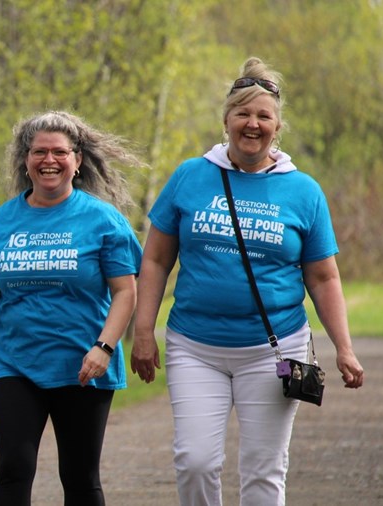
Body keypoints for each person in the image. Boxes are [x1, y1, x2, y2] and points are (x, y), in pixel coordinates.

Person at [130, 57, 366, 505]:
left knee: (263, 471)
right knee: (195, 461)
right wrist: (143, 332)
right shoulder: (190, 176)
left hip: (273, 351)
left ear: (278, 127)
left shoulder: (303, 191)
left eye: (264, 116)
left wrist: (345, 348)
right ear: (226, 120)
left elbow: (323, 276)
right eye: (243, 114)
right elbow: (156, 259)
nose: (252, 124)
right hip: (195, 346)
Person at [0, 111, 145, 505]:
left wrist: (104, 348)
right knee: (14, 469)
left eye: (59, 152)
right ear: (25, 159)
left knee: (80, 476)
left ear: (77, 160)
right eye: (38, 152)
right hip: (14, 362)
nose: (48, 160)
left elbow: (125, 291)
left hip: (84, 364)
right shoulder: (0, 223)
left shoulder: (104, 221)